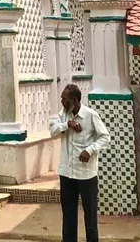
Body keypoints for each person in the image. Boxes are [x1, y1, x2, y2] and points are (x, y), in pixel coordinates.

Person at [50, 84, 111, 242]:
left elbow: (105, 137)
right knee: (68, 215)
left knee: (90, 216)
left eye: (65, 99)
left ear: (75, 100)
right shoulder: (62, 115)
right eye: (62, 98)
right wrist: (67, 125)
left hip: (86, 174)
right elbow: (53, 132)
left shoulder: (91, 115)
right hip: (66, 173)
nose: (62, 101)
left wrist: (90, 150)